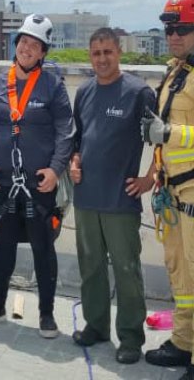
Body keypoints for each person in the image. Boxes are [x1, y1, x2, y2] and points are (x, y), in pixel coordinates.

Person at [142, 0, 194, 380]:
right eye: (168, 29)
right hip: (175, 193)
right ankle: (183, 342)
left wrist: (172, 132)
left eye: (180, 29)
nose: (173, 35)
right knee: (182, 276)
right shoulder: (178, 71)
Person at [0, 13, 72, 338]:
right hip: (4, 184)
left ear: (43, 52)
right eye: (24, 42)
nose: (27, 48)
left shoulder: (53, 87)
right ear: (17, 45)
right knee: (3, 247)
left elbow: (65, 133)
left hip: (38, 186)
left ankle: (46, 314)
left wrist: (56, 170)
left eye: (35, 45)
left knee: (44, 250)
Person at [69, 27, 156, 364]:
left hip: (121, 200)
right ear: (89, 56)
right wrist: (74, 163)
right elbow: (79, 141)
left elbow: (162, 142)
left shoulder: (138, 93)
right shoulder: (85, 91)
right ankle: (96, 325)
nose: (102, 59)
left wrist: (150, 178)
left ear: (119, 52)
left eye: (108, 52)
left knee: (126, 268)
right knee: (90, 266)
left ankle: (131, 338)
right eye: (96, 53)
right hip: (87, 197)